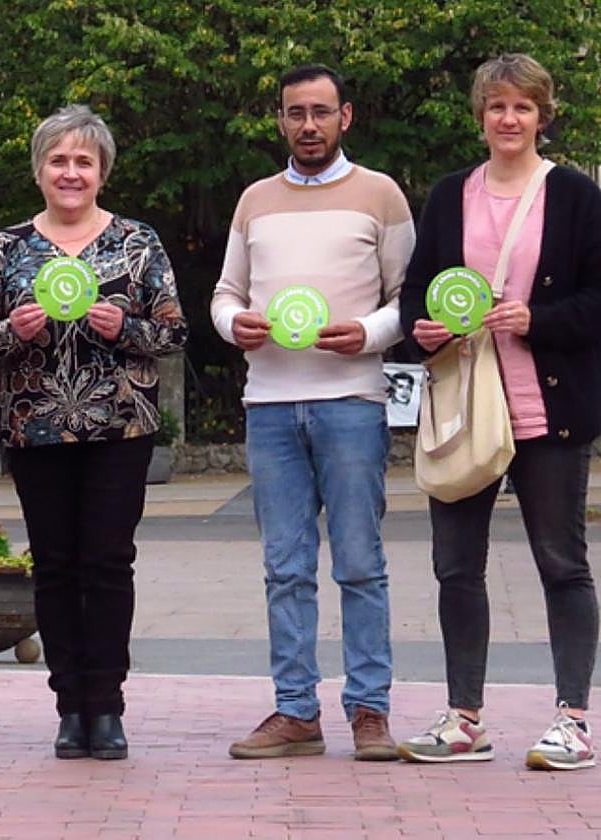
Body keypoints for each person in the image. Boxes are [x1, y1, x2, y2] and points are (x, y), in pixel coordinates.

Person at [0, 105, 187, 761]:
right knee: (55, 568)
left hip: (120, 426)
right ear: (39, 170)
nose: (70, 172)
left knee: (109, 565)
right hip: (36, 428)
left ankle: (108, 706)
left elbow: (175, 333)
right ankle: (69, 707)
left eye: (82, 161)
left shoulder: (137, 242)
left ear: (102, 172)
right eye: (58, 160)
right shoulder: (5, 247)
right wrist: (15, 332)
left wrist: (128, 329)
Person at [398, 54, 601, 771]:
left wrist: (533, 319)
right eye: (496, 107)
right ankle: (464, 718)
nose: (508, 119)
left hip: (548, 411)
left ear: (543, 115)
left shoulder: (576, 195)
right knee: (456, 565)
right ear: (480, 116)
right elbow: (417, 292)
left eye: (522, 107)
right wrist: (424, 329)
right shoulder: (451, 194)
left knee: (561, 563)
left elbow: (596, 303)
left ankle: (573, 718)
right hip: (464, 408)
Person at [211, 64, 415, 761]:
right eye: (295, 112)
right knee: (285, 568)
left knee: (361, 565)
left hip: (352, 403)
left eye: (320, 112)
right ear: (280, 120)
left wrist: (371, 334)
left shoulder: (381, 195)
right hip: (269, 407)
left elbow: (407, 298)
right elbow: (224, 293)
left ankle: (369, 711)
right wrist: (232, 323)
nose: (308, 125)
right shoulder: (253, 200)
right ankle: (296, 711)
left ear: (345, 117)